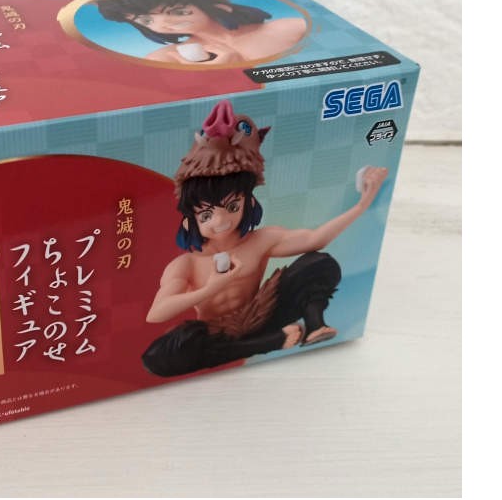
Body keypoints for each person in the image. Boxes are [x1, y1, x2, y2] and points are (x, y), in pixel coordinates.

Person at [141, 100, 387, 377]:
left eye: (232, 206)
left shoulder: (260, 241)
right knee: (161, 354)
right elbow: (157, 313)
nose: (221, 221)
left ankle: (314, 326)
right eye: (207, 214)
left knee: (319, 263)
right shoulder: (186, 265)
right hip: (218, 335)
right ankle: (269, 343)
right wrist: (210, 288)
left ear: (248, 203)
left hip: (263, 314)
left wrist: (362, 205)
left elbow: (315, 240)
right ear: (190, 220)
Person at [96, 0, 308, 64]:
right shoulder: (166, 58)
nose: (166, 23)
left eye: (178, 12)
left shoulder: (289, 27)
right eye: (146, 20)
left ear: (216, 6)